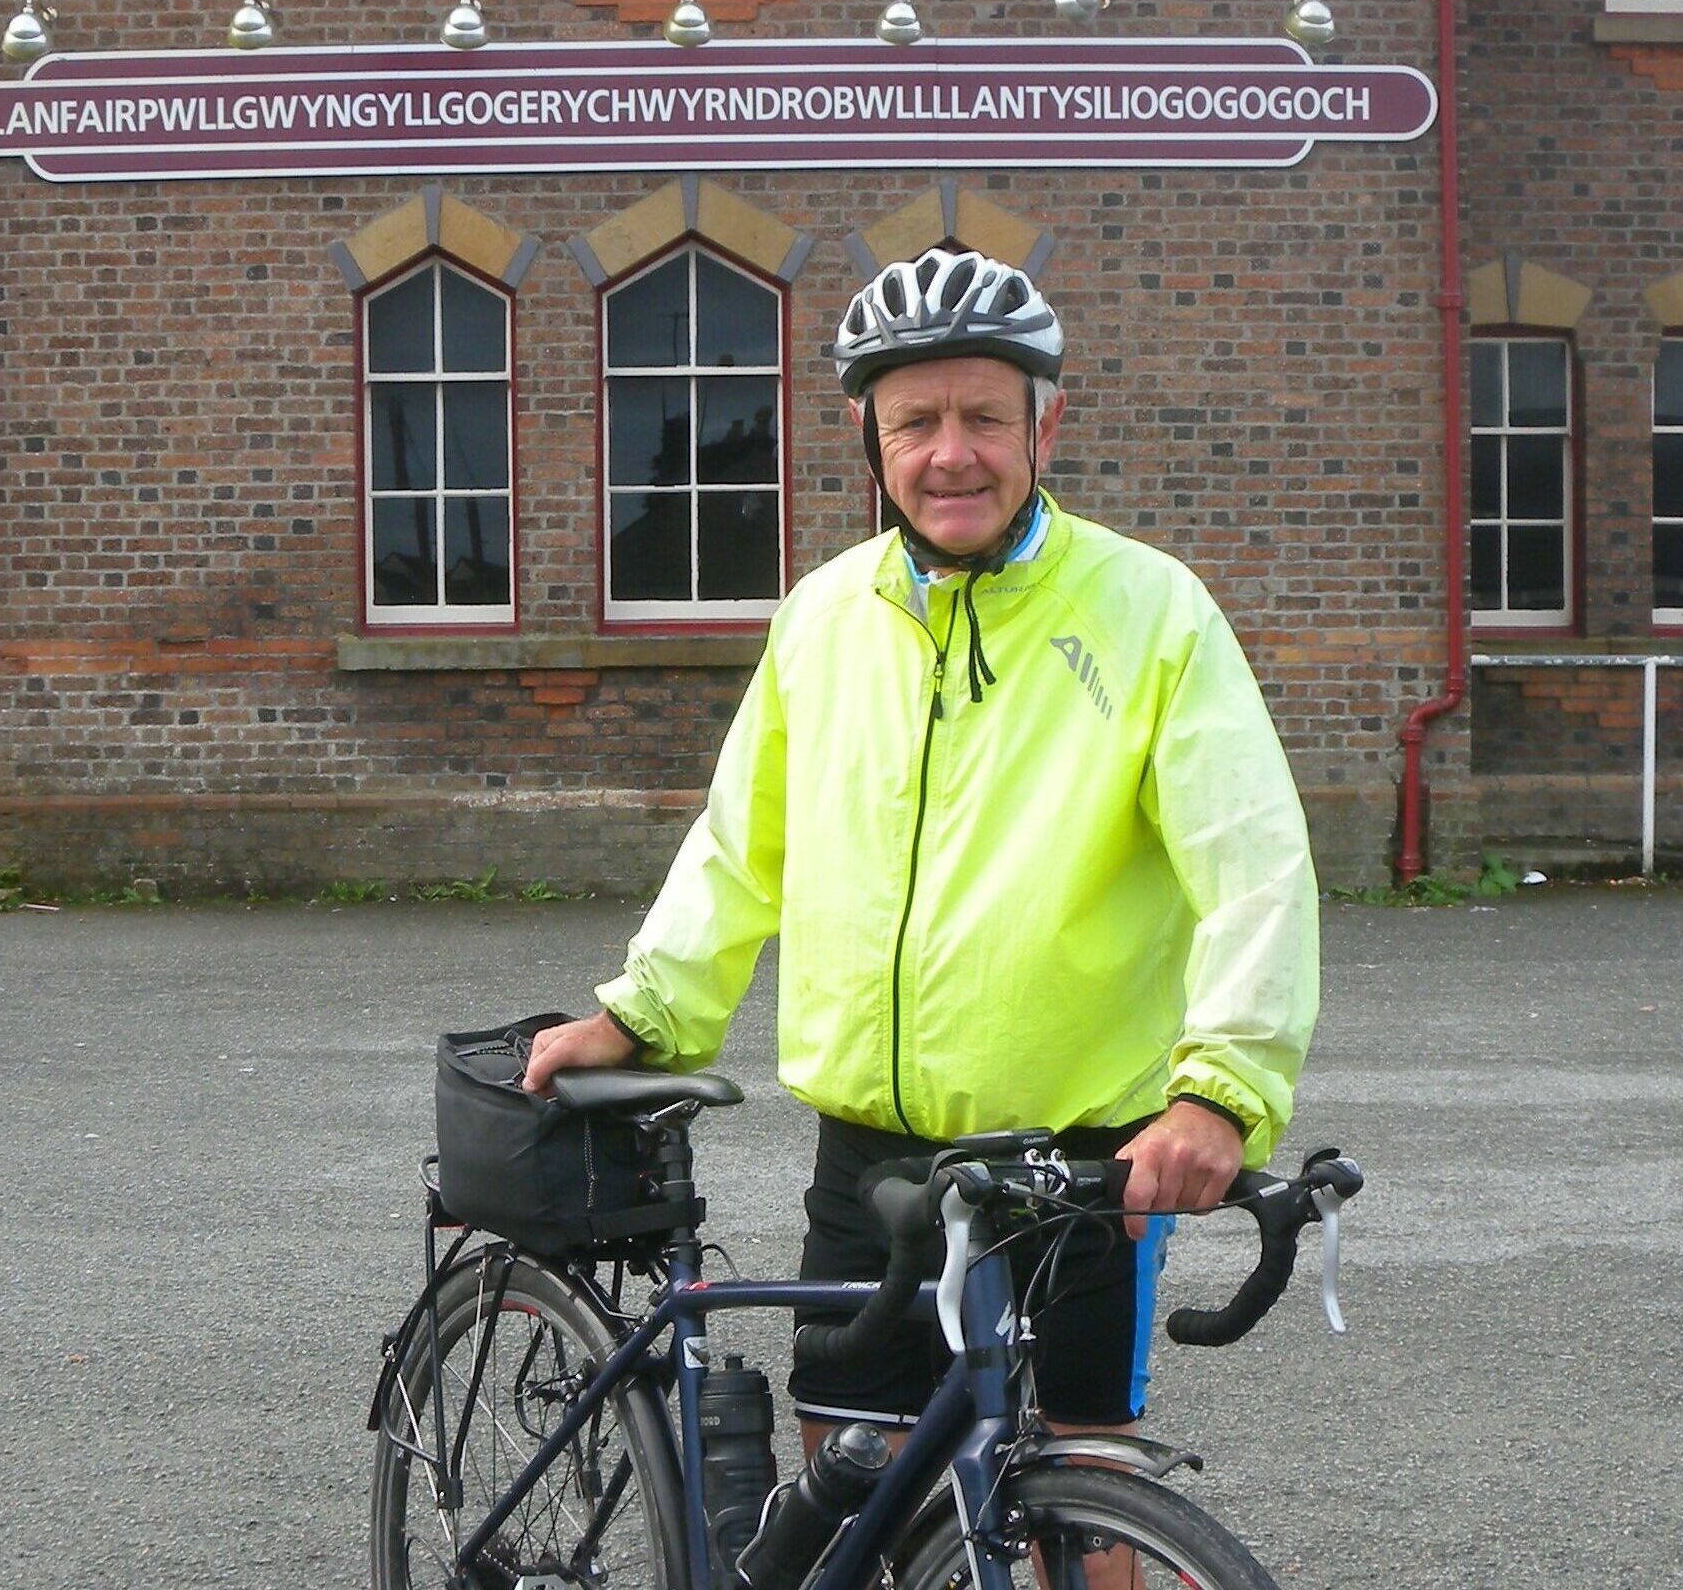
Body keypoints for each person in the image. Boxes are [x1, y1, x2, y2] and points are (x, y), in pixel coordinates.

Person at [526, 248, 1318, 1543]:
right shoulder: (824, 617)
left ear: (1042, 424)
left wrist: (1216, 1091)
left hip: (1081, 1154)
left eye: (983, 418)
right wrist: (642, 1014)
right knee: (855, 1491)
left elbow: (1252, 861)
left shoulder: (1149, 613)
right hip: (871, 1155)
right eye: (916, 423)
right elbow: (742, 846)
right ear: (869, 437)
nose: (951, 454)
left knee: (1084, 1489)